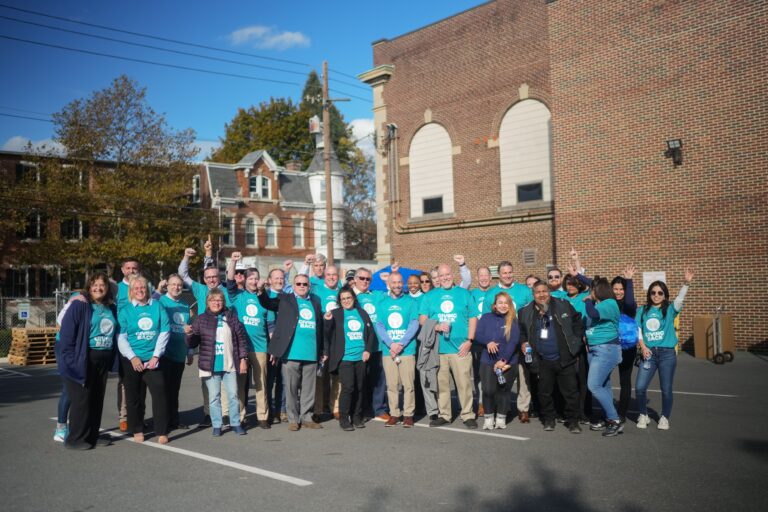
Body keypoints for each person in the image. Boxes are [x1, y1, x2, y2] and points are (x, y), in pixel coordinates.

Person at [58, 273, 119, 449]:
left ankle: (92, 435)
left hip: (103, 359)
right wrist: (70, 361)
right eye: (94, 285)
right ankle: (75, 439)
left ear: (108, 289)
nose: (98, 288)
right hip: (83, 359)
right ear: (88, 287)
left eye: (102, 285)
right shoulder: (80, 305)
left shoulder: (110, 308)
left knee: (96, 399)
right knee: (82, 400)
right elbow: (67, 337)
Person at [259, 274, 327, 431]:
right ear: (293, 285)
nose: (302, 286)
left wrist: (323, 349)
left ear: (309, 286)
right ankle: (293, 418)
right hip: (291, 352)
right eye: (298, 283)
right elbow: (267, 303)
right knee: (290, 387)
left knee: (309, 388)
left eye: (305, 284)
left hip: (311, 352)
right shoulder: (285, 299)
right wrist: (261, 290)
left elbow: (320, 328)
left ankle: (307, 417)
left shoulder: (315, 303)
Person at [518, 282, 584, 433]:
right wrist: (523, 342)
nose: (541, 295)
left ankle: (573, 421)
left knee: (571, 392)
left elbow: (577, 322)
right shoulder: (525, 311)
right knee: (544, 393)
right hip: (542, 360)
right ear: (533, 295)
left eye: (544, 291)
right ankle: (549, 419)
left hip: (564, 358)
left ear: (549, 292)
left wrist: (577, 341)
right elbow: (521, 331)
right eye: (537, 292)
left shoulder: (563, 305)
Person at [419, 263, 478, 428]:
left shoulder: (464, 294)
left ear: (452, 275)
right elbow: (422, 320)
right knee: (441, 384)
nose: (444, 278)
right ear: (437, 277)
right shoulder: (430, 296)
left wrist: (470, 341)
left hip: (461, 348)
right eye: (441, 275)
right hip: (438, 349)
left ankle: (467, 414)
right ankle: (445, 414)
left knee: (464, 384)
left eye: (447, 275)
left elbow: (473, 318)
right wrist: (436, 326)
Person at [635, 269, 694, 430]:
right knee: (640, 387)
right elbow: (638, 330)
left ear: (664, 294)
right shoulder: (642, 310)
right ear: (649, 294)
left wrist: (686, 283)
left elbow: (680, 299)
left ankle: (664, 417)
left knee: (666, 389)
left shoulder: (669, 309)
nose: (656, 295)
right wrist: (643, 346)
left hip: (667, 354)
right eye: (653, 292)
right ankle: (643, 414)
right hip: (649, 353)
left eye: (660, 293)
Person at [187, 289, 249, 436]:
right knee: (214, 397)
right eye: (213, 300)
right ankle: (217, 425)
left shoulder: (231, 317)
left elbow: (241, 340)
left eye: (219, 300)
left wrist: (243, 359)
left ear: (223, 302)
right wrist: (189, 334)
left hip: (230, 364)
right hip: (210, 365)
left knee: (233, 395)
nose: (216, 303)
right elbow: (193, 343)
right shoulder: (201, 319)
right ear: (208, 302)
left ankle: (235, 423)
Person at [117, 276, 171, 444]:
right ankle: (137, 428)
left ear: (147, 289)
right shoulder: (125, 310)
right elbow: (121, 337)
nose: (139, 290)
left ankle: (162, 430)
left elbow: (164, 331)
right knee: (134, 397)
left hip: (153, 359)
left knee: (160, 393)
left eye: (142, 288)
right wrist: (133, 358)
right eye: (136, 288)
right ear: (131, 291)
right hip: (132, 360)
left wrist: (156, 355)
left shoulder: (158, 306)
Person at [226, 253, 271, 429]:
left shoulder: (264, 299)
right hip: (241, 348)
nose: (253, 281)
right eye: (250, 278)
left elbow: (271, 324)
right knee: (239, 385)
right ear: (244, 280)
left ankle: (262, 417)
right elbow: (229, 280)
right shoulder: (237, 296)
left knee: (261, 384)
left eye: (256, 278)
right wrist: (234, 261)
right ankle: (240, 416)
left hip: (260, 347)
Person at [324, 287, 376, 431]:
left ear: (353, 298)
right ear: (340, 301)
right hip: (345, 358)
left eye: (349, 298)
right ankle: (344, 418)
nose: (346, 301)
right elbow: (326, 333)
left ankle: (357, 417)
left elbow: (370, 333)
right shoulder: (335, 314)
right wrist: (327, 321)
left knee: (360, 388)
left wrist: (367, 350)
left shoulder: (362, 313)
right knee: (348, 388)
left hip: (361, 358)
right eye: (343, 299)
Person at [374, 271, 420, 427]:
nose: (397, 285)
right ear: (389, 284)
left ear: (403, 284)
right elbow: (379, 325)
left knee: (408, 385)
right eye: (394, 282)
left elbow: (414, 324)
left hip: (407, 350)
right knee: (392, 385)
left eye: (400, 282)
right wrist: (391, 344)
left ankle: (408, 414)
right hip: (389, 351)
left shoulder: (411, 302)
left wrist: (401, 343)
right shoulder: (382, 303)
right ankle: (394, 413)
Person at [474, 292, 520, 430]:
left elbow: (513, 342)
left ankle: (501, 417)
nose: (503, 305)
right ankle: (488, 418)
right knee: (488, 390)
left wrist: (503, 360)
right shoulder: (486, 317)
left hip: (507, 361)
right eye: (500, 302)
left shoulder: (513, 320)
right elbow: (477, 335)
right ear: (495, 305)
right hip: (488, 360)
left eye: (506, 303)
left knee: (503, 390)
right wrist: (488, 342)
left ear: (510, 305)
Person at [583, 277, 622, 437]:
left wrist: (587, 301)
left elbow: (592, 313)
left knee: (594, 385)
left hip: (606, 349)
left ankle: (615, 419)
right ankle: (609, 417)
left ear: (598, 291)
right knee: (604, 385)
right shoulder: (601, 304)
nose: (590, 292)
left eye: (592, 290)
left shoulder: (609, 304)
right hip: (594, 349)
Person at [352, 267, 390, 422]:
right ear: (355, 279)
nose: (365, 282)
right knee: (359, 379)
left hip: (377, 345)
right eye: (362, 278)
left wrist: (388, 280)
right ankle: (359, 408)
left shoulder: (377, 295)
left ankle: (379, 409)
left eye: (368, 279)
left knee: (379, 379)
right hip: (358, 345)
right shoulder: (349, 296)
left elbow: (392, 294)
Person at [158, 274, 193, 431]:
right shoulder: (160, 302)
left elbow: (188, 329)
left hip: (179, 354)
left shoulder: (185, 305)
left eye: (179, 285)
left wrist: (190, 350)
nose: (176, 287)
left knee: (174, 389)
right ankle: (163, 421)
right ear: (167, 285)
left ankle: (174, 419)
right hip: (164, 354)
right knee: (163, 390)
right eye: (173, 284)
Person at [310, 265, 342, 421]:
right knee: (320, 374)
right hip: (322, 337)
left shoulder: (342, 291)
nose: (331, 277)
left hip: (338, 338)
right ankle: (318, 407)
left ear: (338, 276)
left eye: (334, 275)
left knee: (336, 374)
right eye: (328, 274)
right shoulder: (316, 291)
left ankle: (335, 407)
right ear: (324, 276)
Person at [563, 273, 591, 424]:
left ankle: (584, 412)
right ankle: (569, 412)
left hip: (582, 343)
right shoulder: (561, 297)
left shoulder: (585, 296)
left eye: (574, 283)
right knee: (568, 380)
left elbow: (595, 285)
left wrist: (577, 267)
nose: (571, 286)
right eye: (568, 283)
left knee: (583, 379)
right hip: (565, 345)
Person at [469, 265, 493, 417]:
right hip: (477, 341)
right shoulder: (471, 294)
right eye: (481, 275)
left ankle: (497, 402)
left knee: (494, 372)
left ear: (491, 277)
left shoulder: (496, 293)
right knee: (478, 374)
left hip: (494, 340)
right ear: (477, 278)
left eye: (486, 275)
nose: (483, 278)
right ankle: (481, 404)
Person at [265, 267, 287, 423]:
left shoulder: (288, 297)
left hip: (286, 345)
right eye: (276, 278)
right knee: (269, 380)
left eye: (282, 278)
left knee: (284, 380)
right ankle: (269, 411)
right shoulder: (267, 296)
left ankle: (282, 410)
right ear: (269, 280)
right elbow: (270, 323)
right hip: (271, 346)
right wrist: (274, 347)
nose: (279, 281)